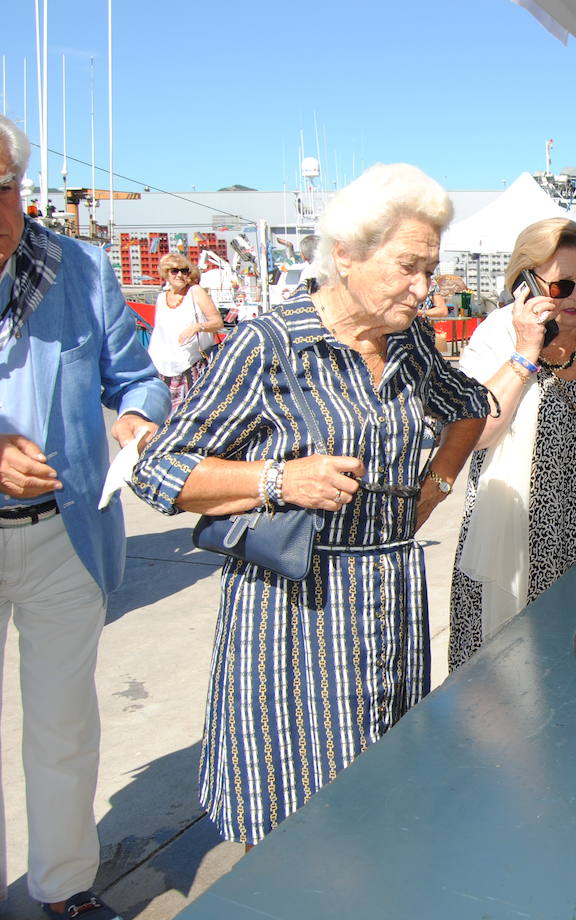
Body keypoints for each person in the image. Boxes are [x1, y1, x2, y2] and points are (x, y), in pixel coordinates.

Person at [130, 163, 488, 847]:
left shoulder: (410, 341)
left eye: (431, 269)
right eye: (409, 267)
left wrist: (432, 492)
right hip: (295, 614)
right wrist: (276, 480)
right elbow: (158, 471)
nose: (425, 290)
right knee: (303, 821)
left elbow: (470, 405)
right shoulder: (270, 344)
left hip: (391, 598)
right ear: (346, 255)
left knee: (383, 804)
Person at [0, 114, 170, 920]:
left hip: (64, 537)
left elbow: (135, 375)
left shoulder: (82, 268)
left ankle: (63, 886)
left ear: (22, 184)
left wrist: (137, 417)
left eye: (2, 186)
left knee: (64, 726)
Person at [449, 218, 576, 671]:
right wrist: (524, 350)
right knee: (516, 666)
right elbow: (476, 434)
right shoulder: (496, 335)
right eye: (563, 286)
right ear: (525, 282)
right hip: (518, 529)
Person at [148, 252, 224, 413]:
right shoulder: (162, 298)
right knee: (165, 415)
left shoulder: (195, 292)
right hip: (164, 367)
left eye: (184, 271)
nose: (180, 275)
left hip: (191, 366)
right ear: (166, 274)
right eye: (175, 271)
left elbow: (217, 322)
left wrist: (197, 327)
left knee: (189, 414)